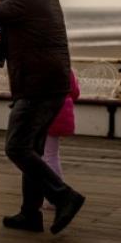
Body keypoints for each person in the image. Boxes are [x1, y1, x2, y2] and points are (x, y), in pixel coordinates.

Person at [0, 0, 85, 234]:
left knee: (17, 148)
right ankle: (30, 215)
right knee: (32, 149)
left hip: (38, 88)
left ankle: (63, 195)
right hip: (52, 86)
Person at [43, 69, 80, 209]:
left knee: (45, 157)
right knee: (52, 155)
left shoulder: (40, 65)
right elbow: (75, 93)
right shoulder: (66, 67)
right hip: (62, 113)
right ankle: (55, 194)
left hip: (45, 113)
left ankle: (55, 196)